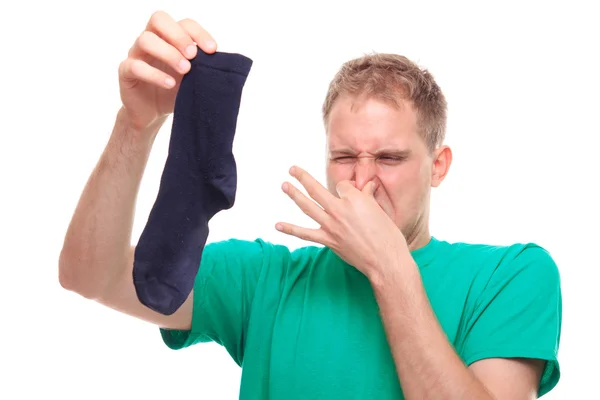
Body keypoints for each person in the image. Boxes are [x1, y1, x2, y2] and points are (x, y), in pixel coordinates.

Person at [58, 11, 562, 400]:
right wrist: (136, 123)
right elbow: (90, 276)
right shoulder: (265, 280)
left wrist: (389, 266)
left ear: (438, 165)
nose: (362, 180)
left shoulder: (511, 275)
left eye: (389, 157)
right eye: (344, 156)